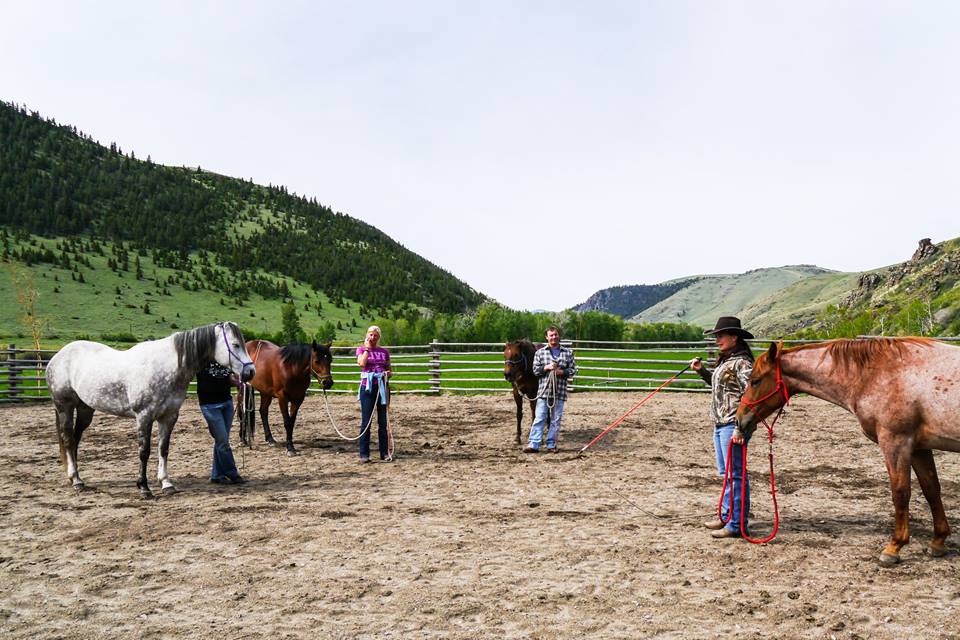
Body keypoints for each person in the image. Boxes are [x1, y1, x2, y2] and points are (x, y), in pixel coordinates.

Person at [692, 316, 755, 539]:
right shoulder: (726, 361)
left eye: (720, 336)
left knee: (735, 474)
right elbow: (720, 389)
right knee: (727, 473)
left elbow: (751, 396)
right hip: (720, 423)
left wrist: (741, 428)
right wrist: (701, 371)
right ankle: (727, 516)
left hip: (733, 424)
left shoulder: (743, 363)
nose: (717, 340)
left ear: (733, 337)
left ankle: (736, 524)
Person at [524, 326, 577, 453]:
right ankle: (533, 444)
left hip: (559, 391)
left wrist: (561, 372)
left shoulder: (568, 353)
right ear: (546, 337)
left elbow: (573, 370)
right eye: (551, 335)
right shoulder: (540, 353)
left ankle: (551, 444)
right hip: (544, 391)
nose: (554, 337)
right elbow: (535, 371)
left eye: (555, 335)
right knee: (540, 417)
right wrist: (546, 367)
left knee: (555, 419)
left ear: (559, 336)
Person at [197, 360, 246, 485]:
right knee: (223, 441)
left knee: (221, 441)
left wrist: (238, 383)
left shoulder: (224, 359)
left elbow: (228, 379)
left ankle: (216, 475)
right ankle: (232, 473)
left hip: (226, 403)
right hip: (209, 405)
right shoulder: (200, 360)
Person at [356, 325, 392, 462]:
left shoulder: (384, 352)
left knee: (383, 422)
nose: (373, 337)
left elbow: (390, 370)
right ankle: (364, 454)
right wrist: (367, 349)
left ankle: (384, 453)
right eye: (371, 334)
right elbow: (362, 363)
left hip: (382, 388)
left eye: (375, 335)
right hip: (368, 388)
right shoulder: (360, 350)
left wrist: (388, 374)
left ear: (379, 337)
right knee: (366, 421)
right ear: (367, 336)